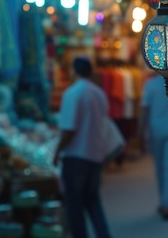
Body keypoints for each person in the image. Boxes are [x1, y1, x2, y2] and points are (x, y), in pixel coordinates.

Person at [53, 57, 112, 238]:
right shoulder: (99, 93)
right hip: (95, 155)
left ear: (74, 71)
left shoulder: (73, 93)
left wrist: (57, 151)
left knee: (75, 206)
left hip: (76, 156)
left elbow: (69, 129)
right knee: (93, 201)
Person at [137, 72, 168, 220]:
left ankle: (164, 203)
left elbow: (144, 110)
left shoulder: (150, 85)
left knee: (160, 167)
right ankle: (167, 204)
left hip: (156, 130)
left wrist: (140, 133)